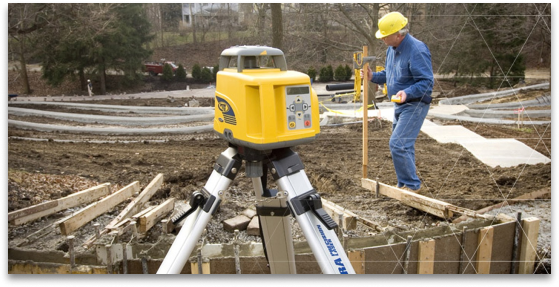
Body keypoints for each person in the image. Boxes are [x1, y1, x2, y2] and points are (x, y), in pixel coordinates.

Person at [362, 11, 434, 192]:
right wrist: (373, 76)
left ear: (399, 34)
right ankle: (405, 185)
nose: (383, 40)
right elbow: (389, 74)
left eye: (385, 37)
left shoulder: (417, 50)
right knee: (404, 146)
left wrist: (407, 93)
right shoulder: (391, 50)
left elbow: (426, 82)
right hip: (399, 104)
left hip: (415, 104)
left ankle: (411, 186)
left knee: (398, 144)